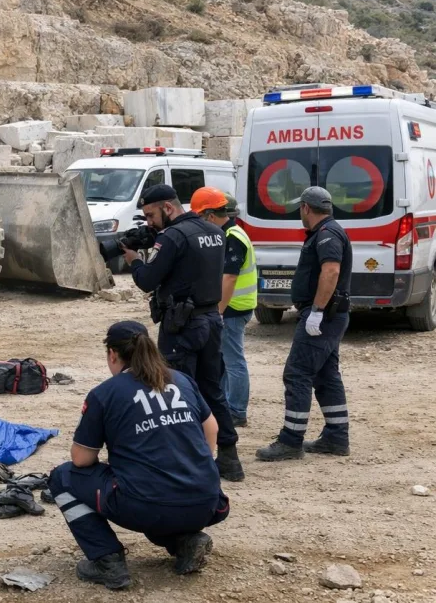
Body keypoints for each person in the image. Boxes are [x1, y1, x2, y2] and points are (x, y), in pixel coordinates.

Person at [49, 321, 230, 590]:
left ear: (113, 354)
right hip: (208, 502)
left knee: (62, 477)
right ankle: (184, 542)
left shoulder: (105, 393)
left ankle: (107, 560)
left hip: (148, 505)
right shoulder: (181, 380)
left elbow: (81, 460)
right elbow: (211, 429)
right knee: (155, 487)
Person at [121, 184, 244, 482]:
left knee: (177, 391)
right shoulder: (215, 231)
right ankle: (229, 458)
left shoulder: (173, 237)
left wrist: (134, 259)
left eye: (151, 215)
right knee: (212, 389)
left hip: (182, 327)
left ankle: (186, 460)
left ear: (168, 207)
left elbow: (147, 280)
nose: (149, 221)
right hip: (211, 320)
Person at [256, 187, 352, 461]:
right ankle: (336, 437)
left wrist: (317, 311)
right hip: (330, 315)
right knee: (326, 375)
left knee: (297, 373)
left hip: (324, 316)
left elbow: (331, 271)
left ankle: (291, 440)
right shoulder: (327, 232)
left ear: (306, 208)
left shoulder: (327, 234)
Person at [191, 188, 257, 427]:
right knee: (225, 361)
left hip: (233, 308)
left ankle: (237, 410)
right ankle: (228, 405)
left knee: (232, 361)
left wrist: (218, 311)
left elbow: (229, 277)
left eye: (201, 217)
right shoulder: (230, 233)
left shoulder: (231, 236)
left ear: (211, 215)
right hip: (235, 306)